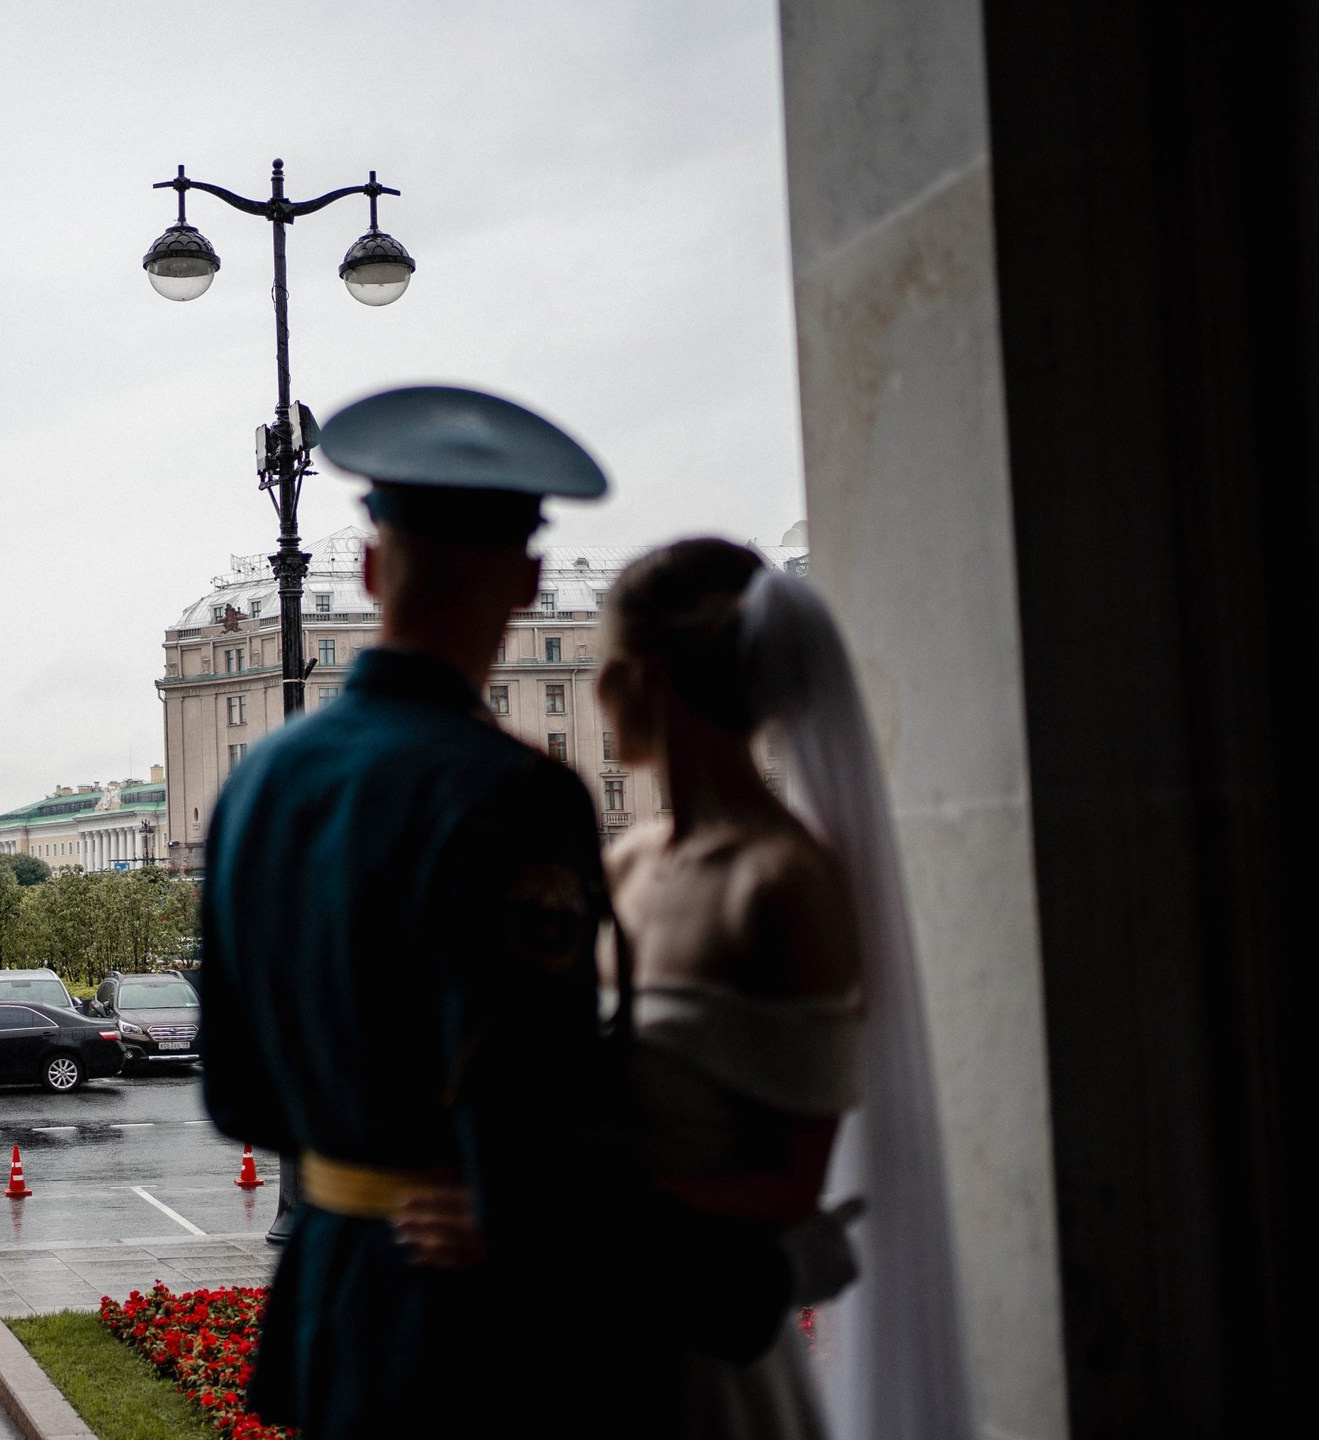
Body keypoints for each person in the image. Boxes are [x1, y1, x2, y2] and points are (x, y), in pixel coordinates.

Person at [201, 387, 848, 1439]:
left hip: (330, 1304)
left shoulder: (255, 785)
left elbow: (234, 1092)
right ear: (531, 579)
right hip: (484, 1321)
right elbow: (534, 1091)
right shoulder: (516, 796)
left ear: (370, 573)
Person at [392, 538, 974, 1438]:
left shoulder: (784, 887)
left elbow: (791, 1184)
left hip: (698, 1353)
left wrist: (545, 1215)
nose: (592, 688)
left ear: (651, 679)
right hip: (582, 1328)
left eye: (606, 663)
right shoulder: (621, 862)